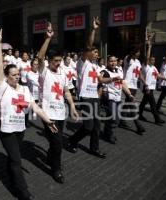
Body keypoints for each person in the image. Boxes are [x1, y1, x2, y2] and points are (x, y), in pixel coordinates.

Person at [0, 28, 57, 200]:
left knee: (13, 157)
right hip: (6, 130)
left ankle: (10, 170)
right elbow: (0, 64)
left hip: (20, 128)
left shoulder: (24, 89)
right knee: (16, 160)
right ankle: (23, 192)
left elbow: (34, 107)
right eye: (13, 75)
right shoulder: (2, 86)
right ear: (6, 76)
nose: (17, 77)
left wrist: (48, 120)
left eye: (18, 74)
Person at [69, 17, 118, 158]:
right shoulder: (82, 63)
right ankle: (73, 140)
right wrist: (93, 30)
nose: (96, 54)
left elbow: (100, 79)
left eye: (97, 52)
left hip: (95, 97)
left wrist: (113, 78)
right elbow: (88, 45)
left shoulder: (96, 66)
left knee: (97, 126)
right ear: (88, 53)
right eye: (94, 52)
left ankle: (94, 148)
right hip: (85, 97)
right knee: (88, 127)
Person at [37, 23, 79, 183]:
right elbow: (39, 57)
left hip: (60, 112)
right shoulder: (44, 71)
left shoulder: (63, 73)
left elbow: (67, 91)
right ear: (49, 60)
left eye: (60, 60)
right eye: (55, 61)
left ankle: (50, 156)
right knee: (58, 142)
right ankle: (56, 169)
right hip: (47, 113)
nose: (58, 63)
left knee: (56, 140)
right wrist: (48, 38)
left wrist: (73, 107)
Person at [100, 56, 135, 144]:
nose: (113, 63)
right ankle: (109, 134)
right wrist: (110, 79)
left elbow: (122, 83)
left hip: (118, 98)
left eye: (115, 61)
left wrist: (129, 94)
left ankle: (106, 132)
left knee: (114, 117)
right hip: (109, 97)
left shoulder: (119, 70)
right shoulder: (104, 71)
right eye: (111, 61)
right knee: (115, 118)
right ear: (107, 62)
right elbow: (100, 79)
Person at [139, 35, 166, 124]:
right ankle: (157, 119)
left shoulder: (154, 68)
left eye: (154, 60)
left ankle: (139, 113)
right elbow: (147, 56)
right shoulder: (145, 66)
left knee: (144, 102)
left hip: (152, 88)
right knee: (153, 103)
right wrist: (149, 46)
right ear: (148, 60)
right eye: (151, 60)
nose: (153, 61)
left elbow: (159, 76)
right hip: (147, 87)